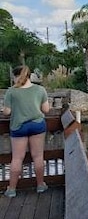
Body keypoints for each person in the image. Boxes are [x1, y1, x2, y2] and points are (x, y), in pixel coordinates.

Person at [3, 65, 50, 198]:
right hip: (37, 125)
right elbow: (46, 110)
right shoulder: (40, 89)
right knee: (38, 156)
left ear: (17, 76)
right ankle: (40, 185)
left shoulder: (11, 91)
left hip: (19, 127)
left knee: (17, 158)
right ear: (30, 76)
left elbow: (7, 112)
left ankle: (11, 189)